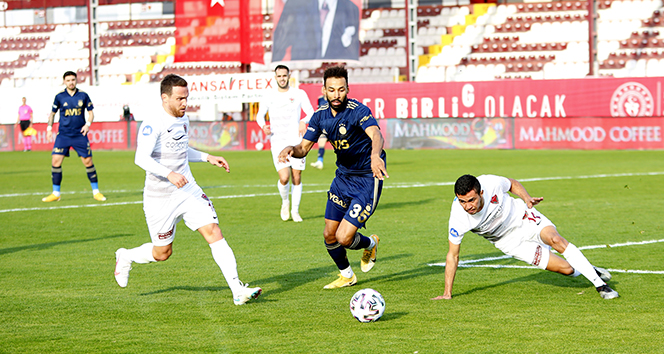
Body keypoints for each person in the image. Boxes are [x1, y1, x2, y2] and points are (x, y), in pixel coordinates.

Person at [113, 74, 262, 306]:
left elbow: (182, 148)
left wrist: (206, 157)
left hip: (187, 190)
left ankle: (237, 289)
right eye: (180, 99)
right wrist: (169, 174)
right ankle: (126, 256)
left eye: (187, 98)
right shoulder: (153, 123)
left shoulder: (184, 119)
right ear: (165, 98)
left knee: (213, 231)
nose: (185, 103)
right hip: (159, 196)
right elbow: (140, 158)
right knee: (162, 253)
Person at [278, 65, 387, 289]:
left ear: (348, 89)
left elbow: (375, 134)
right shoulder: (319, 117)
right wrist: (291, 148)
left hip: (368, 177)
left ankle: (370, 243)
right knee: (329, 235)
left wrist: (376, 155)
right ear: (324, 90)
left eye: (341, 90)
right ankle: (347, 275)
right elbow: (304, 148)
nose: (336, 95)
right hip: (343, 178)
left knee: (344, 238)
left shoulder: (358, 110)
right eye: (332, 90)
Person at [432, 174, 619, 301]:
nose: (467, 206)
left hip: (523, 218)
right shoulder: (458, 217)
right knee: (567, 269)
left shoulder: (490, 183)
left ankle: (600, 286)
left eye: (471, 200)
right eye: (462, 201)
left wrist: (526, 198)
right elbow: (453, 255)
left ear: (481, 193)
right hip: (509, 242)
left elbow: (512, 184)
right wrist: (447, 293)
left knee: (556, 240)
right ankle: (589, 269)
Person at [256, 65, 314, 222]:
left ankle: (295, 211)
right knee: (284, 178)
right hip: (278, 141)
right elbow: (259, 115)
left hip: (296, 142)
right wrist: (263, 126)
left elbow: (311, 113)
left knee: (297, 176)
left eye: (284, 75)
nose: (282, 78)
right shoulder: (269, 95)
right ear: (275, 78)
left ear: (289, 76)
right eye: (279, 76)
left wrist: (303, 121)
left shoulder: (299, 93)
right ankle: (285, 201)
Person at [42, 71, 106, 202]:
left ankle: (96, 192)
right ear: (64, 82)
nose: (71, 82)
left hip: (79, 135)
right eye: (68, 80)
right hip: (63, 135)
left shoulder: (83, 95)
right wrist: (49, 128)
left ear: (76, 80)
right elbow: (52, 114)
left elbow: (91, 113)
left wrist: (88, 124)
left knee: (88, 162)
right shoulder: (59, 96)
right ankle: (56, 193)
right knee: (55, 161)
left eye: (73, 80)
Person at [272, 0, 360, 61]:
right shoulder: (295, 5)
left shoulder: (351, 8)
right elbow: (279, 47)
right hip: (303, 78)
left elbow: (352, 53)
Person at [310, 94, 328, 170]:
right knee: (321, 142)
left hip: (332, 124)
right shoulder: (320, 99)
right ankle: (320, 161)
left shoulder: (332, 99)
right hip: (324, 125)